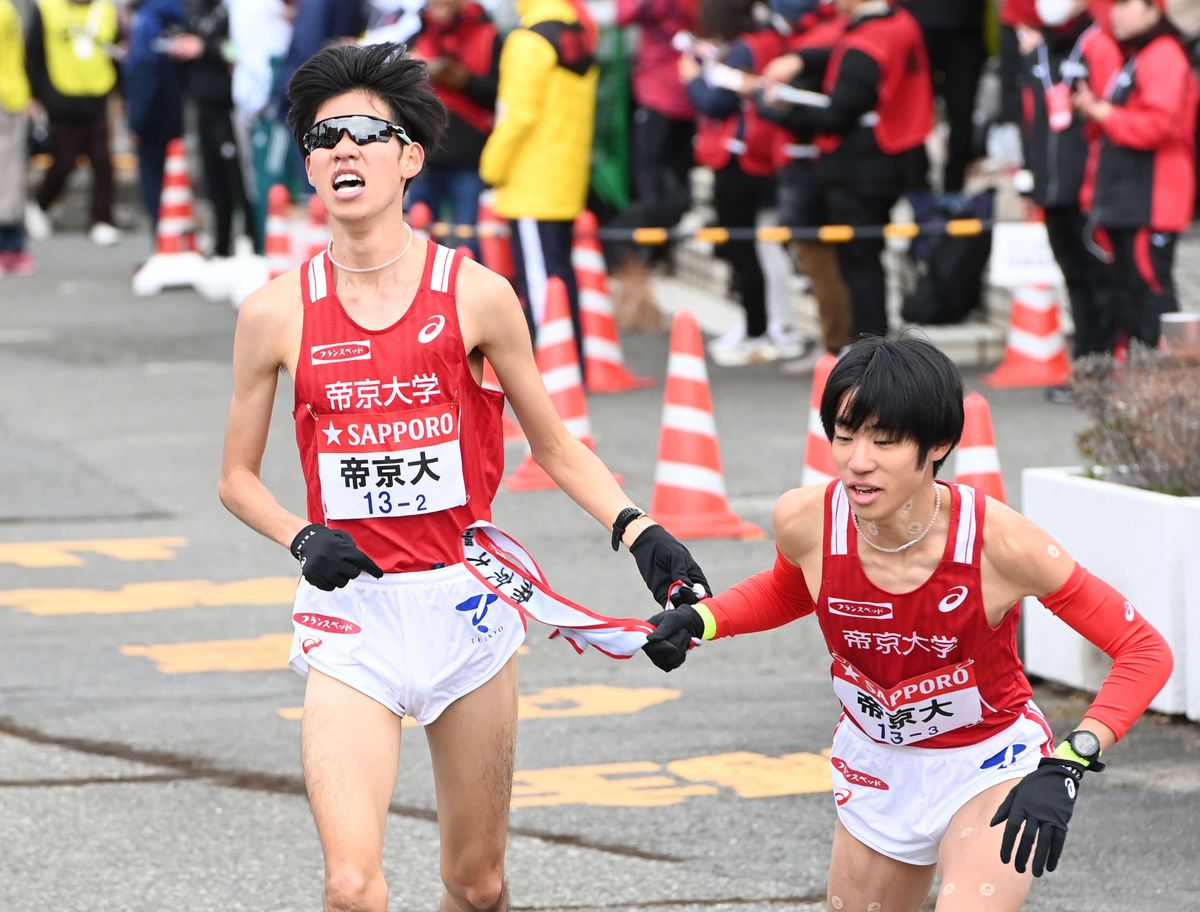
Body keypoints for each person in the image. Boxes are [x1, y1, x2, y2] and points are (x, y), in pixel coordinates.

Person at [218, 42, 709, 912]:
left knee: (477, 886)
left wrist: (644, 535)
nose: (344, 150)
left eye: (370, 132)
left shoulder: (476, 294)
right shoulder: (274, 311)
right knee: (348, 882)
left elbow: (554, 444)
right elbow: (237, 478)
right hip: (352, 614)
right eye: (324, 136)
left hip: (466, 603)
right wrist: (300, 538)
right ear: (307, 164)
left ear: (410, 157)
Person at [642, 336, 1173, 909]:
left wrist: (1074, 758)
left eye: (885, 441)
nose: (858, 461)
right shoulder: (806, 520)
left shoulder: (1001, 544)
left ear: (939, 443)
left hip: (986, 764)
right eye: (844, 437)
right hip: (876, 763)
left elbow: (1143, 649)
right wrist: (700, 619)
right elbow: (789, 590)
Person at [760, 0, 934, 341]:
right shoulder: (898, 22)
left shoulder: (867, 45)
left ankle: (868, 347)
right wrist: (800, 60)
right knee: (865, 259)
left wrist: (775, 110)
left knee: (860, 262)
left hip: (863, 166)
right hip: (895, 153)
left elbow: (836, 114)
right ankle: (871, 343)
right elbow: (838, 52)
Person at [479, 0, 598, 372]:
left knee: (540, 277)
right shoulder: (577, 34)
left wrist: (491, 165)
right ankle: (570, 360)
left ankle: (554, 367)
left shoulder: (528, 41)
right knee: (559, 273)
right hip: (566, 172)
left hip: (530, 177)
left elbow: (518, 114)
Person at [1075, 0, 1197, 351]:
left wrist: (1104, 113)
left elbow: (1157, 126)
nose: (1115, 12)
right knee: (1130, 297)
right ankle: (1147, 391)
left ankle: (1174, 388)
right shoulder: (1138, 55)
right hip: (1131, 200)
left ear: (1154, 9)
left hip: (1152, 199)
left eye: (1126, 4)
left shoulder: (1162, 54)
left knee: (1152, 297)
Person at [1018, 0, 1122, 397]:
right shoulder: (1037, 51)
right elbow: (1027, 119)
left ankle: (1106, 367)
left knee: (1102, 279)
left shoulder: (1099, 43)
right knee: (1075, 279)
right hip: (1052, 188)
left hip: (1089, 188)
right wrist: (1030, 183)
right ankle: (1085, 366)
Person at [604, 0, 697, 333]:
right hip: (685, 99)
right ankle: (651, 254)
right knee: (673, 193)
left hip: (661, 97)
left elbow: (623, 13)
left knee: (654, 193)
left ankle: (624, 242)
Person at [24, 0, 122, 247]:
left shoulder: (106, 9)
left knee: (103, 161)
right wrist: (37, 96)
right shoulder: (47, 8)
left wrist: (120, 93)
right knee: (64, 160)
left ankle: (101, 220)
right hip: (61, 97)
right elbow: (34, 54)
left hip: (96, 95)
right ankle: (38, 204)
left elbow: (116, 51)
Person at [408, 0, 500, 260]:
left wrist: (464, 80)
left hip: (469, 159)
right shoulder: (418, 35)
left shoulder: (488, 36)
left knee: (468, 243)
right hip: (425, 157)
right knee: (418, 242)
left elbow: (500, 94)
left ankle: (466, 300)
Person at [0, 0, 35, 276]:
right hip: (9, 97)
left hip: (10, 97)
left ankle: (11, 246)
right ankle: (11, 247)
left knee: (10, 176)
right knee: (8, 177)